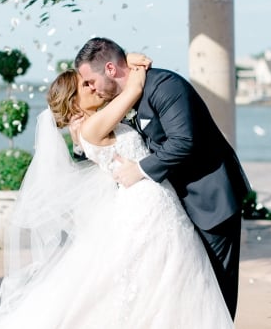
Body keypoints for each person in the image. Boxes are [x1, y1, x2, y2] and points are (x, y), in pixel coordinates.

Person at [0, 66, 233, 328]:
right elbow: (135, 87)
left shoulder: (93, 123)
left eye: (90, 82)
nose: (93, 86)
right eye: (85, 85)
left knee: (166, 281)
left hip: (153, 201)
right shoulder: (92, 126)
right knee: (157, 278)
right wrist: (135, 63)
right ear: (74, 101)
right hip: (144, 203)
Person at [74, 37, 251, 319]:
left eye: (90, 80)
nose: (91, 88)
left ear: (109, 68)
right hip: (175, 206)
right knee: (192, 289)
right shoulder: (130, 94)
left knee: (216, 289)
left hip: (209, 199)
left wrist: (140, 169)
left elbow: (184, 141)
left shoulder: (165, 85)